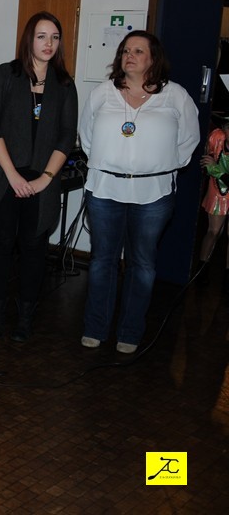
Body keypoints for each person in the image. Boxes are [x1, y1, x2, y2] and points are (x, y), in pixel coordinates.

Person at [79, 31, 199, 354]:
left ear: (153, 58)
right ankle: (95, 327)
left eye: (138, 51)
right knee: (102, 261)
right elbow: (86, 136)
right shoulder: (103, 93)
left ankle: (130, 332)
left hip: (153, 194)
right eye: (125, 51)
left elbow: (189, 139)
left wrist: (162, 165)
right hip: (105, 189)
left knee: (142, 264)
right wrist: (110, 163)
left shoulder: (175, 96)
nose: (129, 56)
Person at [0, 12, 78, 342]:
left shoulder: (65, 84)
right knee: (0, 245)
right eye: (41, 36)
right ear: (29, 39)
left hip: (41, 181)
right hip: (3, 176)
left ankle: (25, 318)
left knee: (34, 249)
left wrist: (45, 179)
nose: (49, 43)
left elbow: (66, 136)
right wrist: (12, 175)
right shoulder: (6, 74)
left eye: (55, 37)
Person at [198, 121, 229, 284]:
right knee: (214, 231)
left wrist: (216, 169)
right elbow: (206, 162)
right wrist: (210, 165)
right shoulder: (216, 138)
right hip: (217, 189)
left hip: (223, 180)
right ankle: (202, 270)